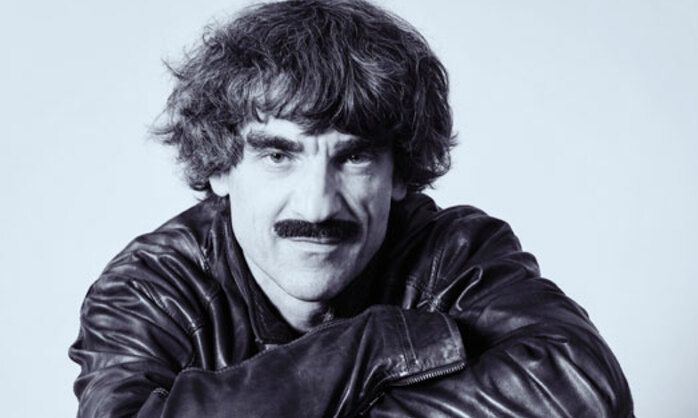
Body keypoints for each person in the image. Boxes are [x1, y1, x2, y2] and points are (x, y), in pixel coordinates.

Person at [69, 0, 635, 416]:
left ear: (399, 175)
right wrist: (379, 343)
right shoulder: (150, 290)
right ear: (219, 165)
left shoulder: (453, 255)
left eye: (355, 156)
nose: (317, 205)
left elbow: (586, 394)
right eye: (278, 155)